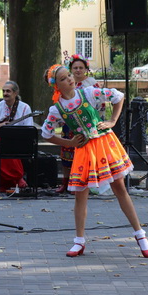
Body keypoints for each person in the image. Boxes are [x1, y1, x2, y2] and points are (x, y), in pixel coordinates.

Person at [41, 64, 148, 259]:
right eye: (64, 78)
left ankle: (140, 235)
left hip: (103, 144)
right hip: (84, 150)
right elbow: (46, 133)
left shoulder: (88, 93)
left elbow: (118, 97)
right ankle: (79, 241)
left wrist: (112, 121)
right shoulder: (57, 109)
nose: (70, 79)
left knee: (119, 187)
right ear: (56, 85)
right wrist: (68, 142)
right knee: (80, 194)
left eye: (69, 75)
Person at [56, 54, 100, 194]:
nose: (78, 70)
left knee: (83, 154)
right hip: (69, 123)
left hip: (87, 124)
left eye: (81, 67)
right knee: (66, 154)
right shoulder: (66, 83)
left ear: (86, 69)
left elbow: (100, 104)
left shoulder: (91, 84)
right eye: (75, 68)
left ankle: (82, 183)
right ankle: (66, 182)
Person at [0, 81, 33, 191]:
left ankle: (6, 183)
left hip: (19, 143)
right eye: (3, 91)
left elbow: (29, 129)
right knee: (3, 146)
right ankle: (18, 178)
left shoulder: (25, 108)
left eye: (8, 91)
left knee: (1, 152)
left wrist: (15, 133)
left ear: (15, 93)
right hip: (1, 141)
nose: (5, 93)